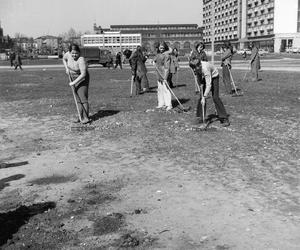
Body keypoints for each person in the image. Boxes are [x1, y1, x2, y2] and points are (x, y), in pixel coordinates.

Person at [189, 55, 230, 127]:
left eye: (197, 67)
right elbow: (198, 77)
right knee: (201, 97)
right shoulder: (196, 68)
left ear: (199, 64)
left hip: (214, 76)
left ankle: (224, 118)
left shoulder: (205, 68)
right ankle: (200, 117)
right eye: (194, 68)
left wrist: (204, 97)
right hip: (205, 77)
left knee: (215, 97)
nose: (196, 69)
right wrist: (200, 84)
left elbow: (209, 85)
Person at [64, 44, 90, 124]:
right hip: (73, 77)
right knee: (77, 99)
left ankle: (86, 117)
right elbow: (64, 59)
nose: (74, 55)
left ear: (79, 52)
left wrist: (73, 83)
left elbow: (83, 74)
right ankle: (80, 116)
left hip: (82, 79)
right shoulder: (68, 54)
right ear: (70, 52)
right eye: (72, 53)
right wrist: (66, 68)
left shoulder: (81, 59)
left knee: (82, 98)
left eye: (76, 53)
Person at [153, 41, 172, 111]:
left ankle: (168, 104)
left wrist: (165, 77)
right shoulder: (158, 54)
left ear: (165, 47)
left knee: (166, 90)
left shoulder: (166, 55)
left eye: (162, 47)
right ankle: (161, 103)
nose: (161, 49)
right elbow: (155, 59)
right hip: (158, 74)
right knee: (160, 89)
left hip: (164, 74)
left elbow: (167, 67)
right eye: (160, 47)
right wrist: (153, 61)